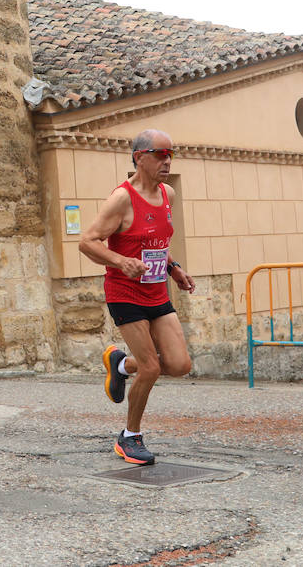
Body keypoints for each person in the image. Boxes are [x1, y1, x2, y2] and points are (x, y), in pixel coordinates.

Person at [79, 130, 195, 466]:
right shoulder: (121, 199)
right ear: (139, 157)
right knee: (151, 367)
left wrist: (174, 268)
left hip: (157, 290)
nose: (167, 161)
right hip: (125, 292)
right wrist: (120, 261)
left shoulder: (168, 193)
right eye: (160, 154)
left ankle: (119, 364)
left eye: (171, 154)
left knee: (178, 365)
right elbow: (87, 241)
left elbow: (158, 242)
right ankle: (129, 437)